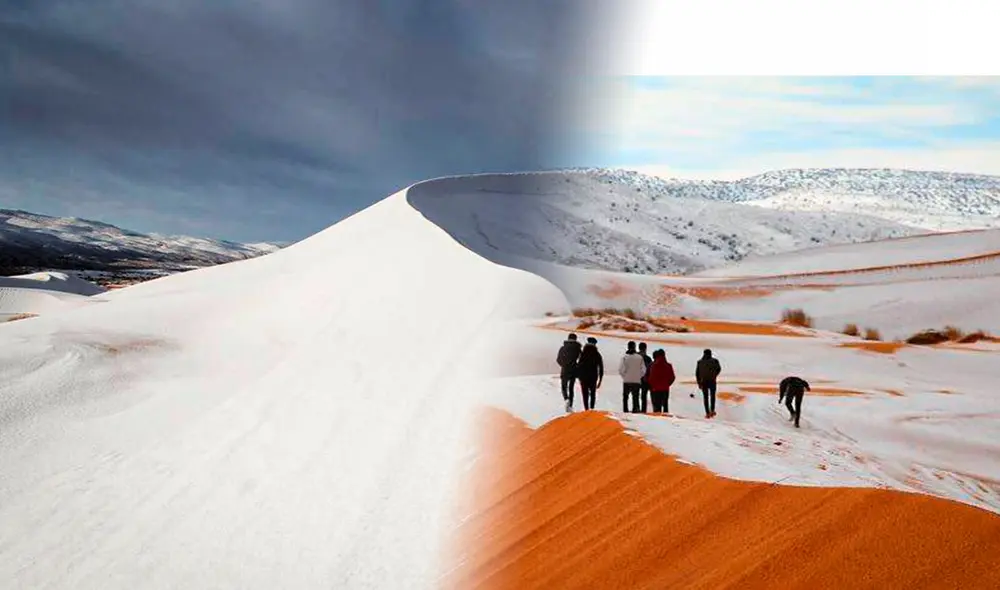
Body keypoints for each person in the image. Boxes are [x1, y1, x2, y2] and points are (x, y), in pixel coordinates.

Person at [556, 333, 583, 411]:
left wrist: (563, 365)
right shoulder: (578, 348)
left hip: (565, 369)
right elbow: (581, 360)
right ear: (575, 339)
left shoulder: (563, 348)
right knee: (571, 388)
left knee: (564, 386)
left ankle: (566, 398)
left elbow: (558, 359)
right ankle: (570, 405)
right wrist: (577, 366)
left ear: (568, 338)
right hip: (574, 369)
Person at [577, 337, 604, 410]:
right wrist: (600, 380)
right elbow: (601, 368)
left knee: (585, 394)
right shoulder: (597, 354)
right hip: (593, 377)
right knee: (592, 393)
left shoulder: (583, 354)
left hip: (583, 376)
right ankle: (592, 408)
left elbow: (579, 365)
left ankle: (586, 408)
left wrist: (579, 376)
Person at [618, 341, 646, 413]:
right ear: (634, 347)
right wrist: (638, 376)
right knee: (635, 397)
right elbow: (643, 370)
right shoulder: (639, 357)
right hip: (636, 381)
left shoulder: (624, 357)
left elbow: (621, 370)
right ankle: (635, 410)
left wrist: (625, 376)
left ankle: (625, 410)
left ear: (628, 347)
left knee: (625, 397)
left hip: (627, 380)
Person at [646, 349, 676, 413]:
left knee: (657, 408)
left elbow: (651, 377)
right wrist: (667, 384)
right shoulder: (668, 365)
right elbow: (672, 377)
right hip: (665, 388)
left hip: (655, 389)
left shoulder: (653, 365)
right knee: (665, 406)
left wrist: (652, 385)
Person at [695, 349, 722, 418]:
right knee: (712, 396)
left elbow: (697, 374)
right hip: (712, 381)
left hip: (703, 381)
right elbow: (719, 369)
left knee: (706, 397)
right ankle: (712, 410)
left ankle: (707, 412)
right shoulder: (715, 361)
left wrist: (699, 383)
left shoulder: (700, 362)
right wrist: (714, 375)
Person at [637, 342, 653, 413]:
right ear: (645, 348)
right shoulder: (648, 358)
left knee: (636, 395)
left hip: (636, 378)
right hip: (645, 380)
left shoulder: (635, 357)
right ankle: (643, 410)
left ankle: (636, 408)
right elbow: (650, 369)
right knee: (643, 396)